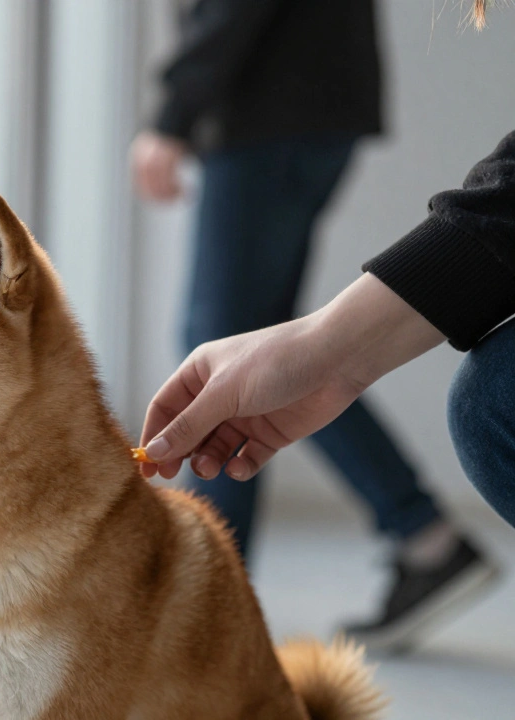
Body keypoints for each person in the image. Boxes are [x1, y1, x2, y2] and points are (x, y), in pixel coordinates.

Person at [130, 0, 500, 653]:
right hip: (303, 97)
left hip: (270, 99)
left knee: (223, 337)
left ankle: (203, 605)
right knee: (258, 345)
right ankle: (422, 536)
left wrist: (175, 110)